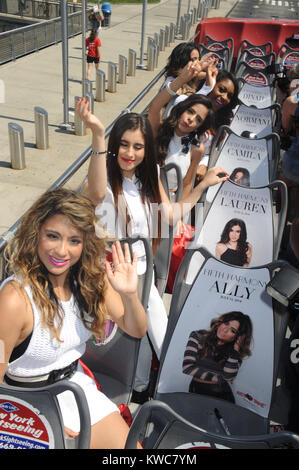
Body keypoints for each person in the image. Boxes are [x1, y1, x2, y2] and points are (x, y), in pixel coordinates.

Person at [75, 97, 229, 395]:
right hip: (108, 280)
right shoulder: (103, 178)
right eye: (123, 144)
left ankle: (162, 395)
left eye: (137, 146)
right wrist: (97, 134)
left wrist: (202, 184)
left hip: (142, 278)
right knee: (113, 348)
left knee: (161, 339)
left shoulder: (151, 178)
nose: (129, 153)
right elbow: (93, 194)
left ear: (147, 149)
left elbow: (170, 215)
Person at [0, 188, 147, 449]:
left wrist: (130, 294)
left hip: (75, 388)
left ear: (85, 243)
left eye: (74, 241)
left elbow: (135, 329)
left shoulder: (91, 278)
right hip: (22, 401)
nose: (62, 251)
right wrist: (37, 423)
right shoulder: (14, 299)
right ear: (36, 234)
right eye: (52, 236)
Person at [148, 58, 216, 194]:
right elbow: (155, 107)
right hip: (144, 197)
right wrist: (181, 79)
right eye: (190, 112)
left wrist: (179, 213)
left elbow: (187, 184)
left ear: (199, 126)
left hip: (169, 204)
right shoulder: (158, 130)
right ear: (182, 110)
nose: (191, 119)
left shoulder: (197, 149)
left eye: (198, 119)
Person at [171, 69, 239, 181]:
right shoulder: (185, 102)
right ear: (211, 85)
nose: (224, 97)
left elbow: (210, 153)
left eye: (229, 96)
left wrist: (203, 165)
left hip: (189, 179)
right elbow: (180, 105)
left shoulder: (222, 125)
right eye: (221, 90)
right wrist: (205, 90)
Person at [182, 311, 253, 403]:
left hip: (222, 395)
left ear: (237, 337)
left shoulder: (235, 352)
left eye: (233, 330)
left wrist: (235, 351)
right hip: (196, 389)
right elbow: (187, 368)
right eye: (226, 323)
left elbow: (228, 377)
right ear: (221, 322)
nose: (225, 330)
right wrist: (219, 378)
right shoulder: (198, 336)